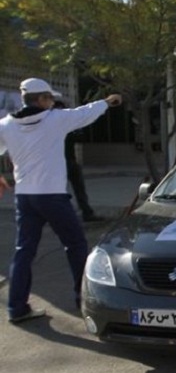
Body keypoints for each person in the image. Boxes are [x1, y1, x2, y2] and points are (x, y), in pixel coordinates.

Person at [0, 78, 122, 323]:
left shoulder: (6, 125)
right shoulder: (55, 119)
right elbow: (85, 113)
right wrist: (108, 102)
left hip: (25, 198)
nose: (53, 102)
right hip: (53, 197)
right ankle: (82, 297)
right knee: (75, 244)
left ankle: (16, 308)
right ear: (42, 99)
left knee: (24, 251)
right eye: (51, 98)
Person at [53, 100, 104, 222]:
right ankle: (57, 215)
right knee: (57, 191)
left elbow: (80, 137)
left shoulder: (68, 126)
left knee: (79, 189)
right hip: (56, 164)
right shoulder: (51, 127)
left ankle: (87, 212)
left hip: (70, 161)